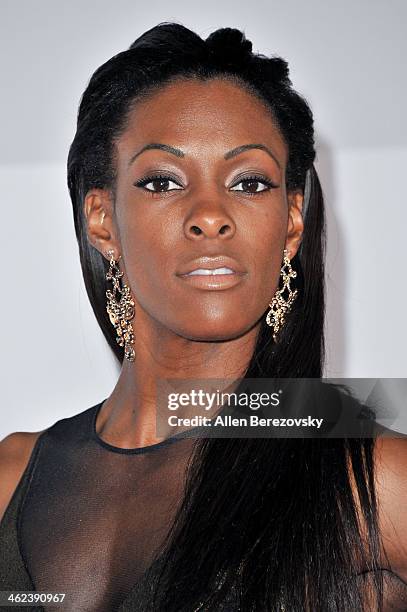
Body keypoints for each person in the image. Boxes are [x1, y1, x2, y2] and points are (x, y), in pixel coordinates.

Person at [1, 21, 406, 612]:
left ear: (291, 224)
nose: (210, 215)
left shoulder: (373, 481)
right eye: (163, 181)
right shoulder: (12, 474)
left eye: (250, 182)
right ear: (102, 220)